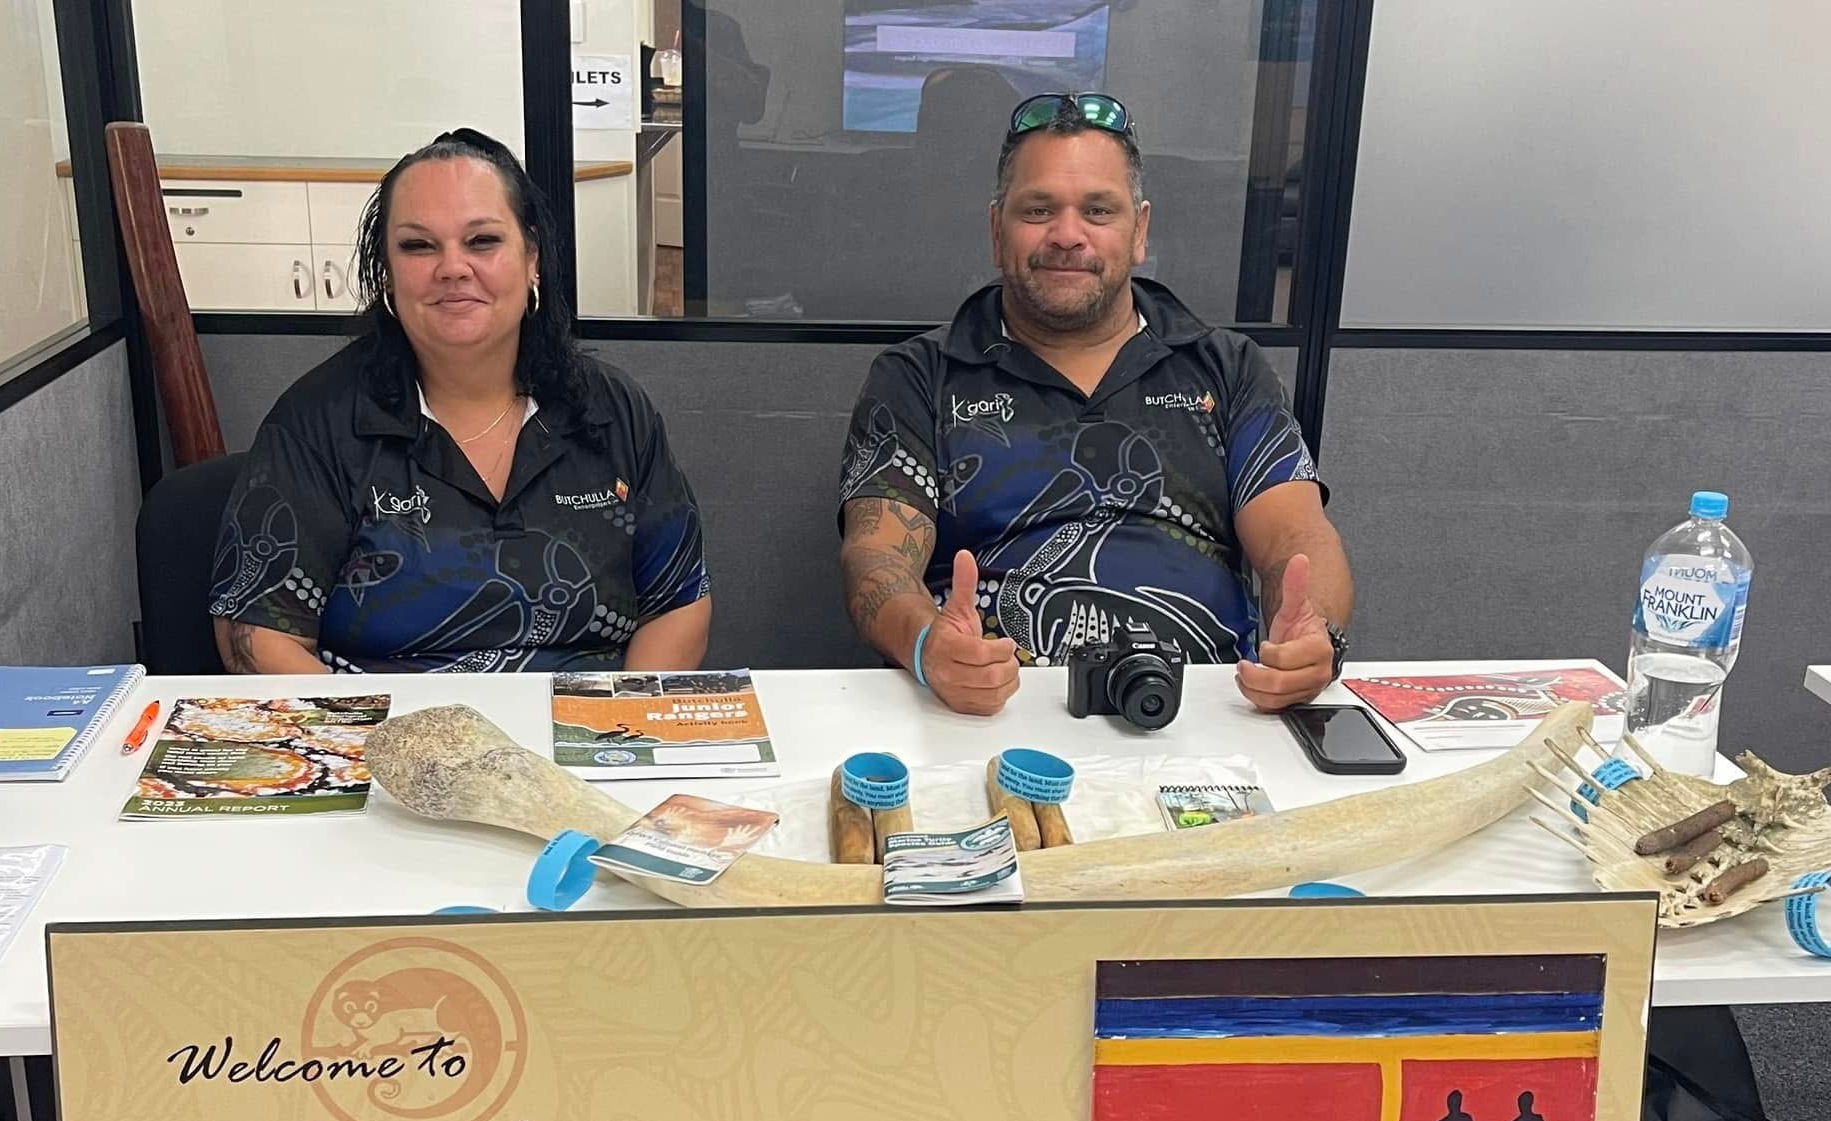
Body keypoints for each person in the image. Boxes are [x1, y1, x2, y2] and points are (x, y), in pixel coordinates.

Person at [838, 92, 1351, 717]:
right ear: (997, 231)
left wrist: (1313, 635)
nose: (1067, 235)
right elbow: (878, 555)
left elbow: (1297, 534)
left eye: (1098, 210)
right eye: (1038, 210)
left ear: (1139, 231)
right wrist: (926, 645)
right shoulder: (920, 375)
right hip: (987, 710)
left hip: (1206, 709)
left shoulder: (1226, 366)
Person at [210, 128, 711, 675]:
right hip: (380, 722)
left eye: (482, 241)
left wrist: (623, 721)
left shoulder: (612, 413)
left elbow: (676, 603)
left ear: (532, 258)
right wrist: (384, 732)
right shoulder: (317, 424)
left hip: (582, 719)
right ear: (387, 273)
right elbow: (260, 635)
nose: (452, 267)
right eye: (419, 246)